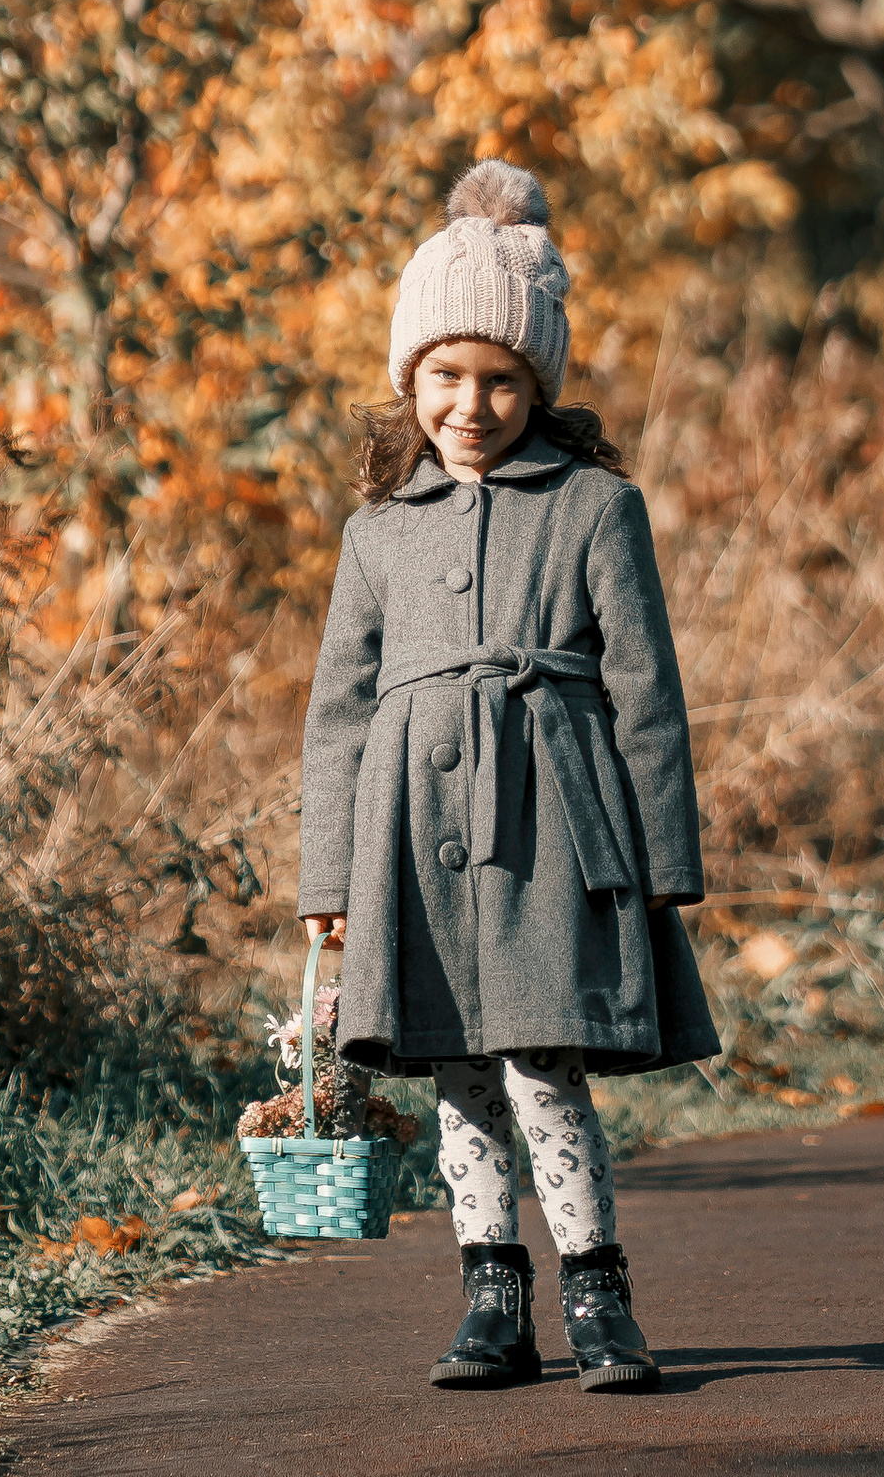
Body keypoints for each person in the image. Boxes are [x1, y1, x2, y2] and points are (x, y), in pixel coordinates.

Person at [298, 160, 717, 1391]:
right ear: (408, 382)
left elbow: (646, 689)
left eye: (500, 380)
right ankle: (491, 1297)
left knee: (545, 1063)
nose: (470, 405)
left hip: (558, 824)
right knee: (457, 1068)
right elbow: (337, 711)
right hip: (409, 828)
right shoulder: (376, 534)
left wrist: (663, 859)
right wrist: (328, 873)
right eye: (445, 377)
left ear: (538, 385)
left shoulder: (595, 508)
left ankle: (598, 1294)